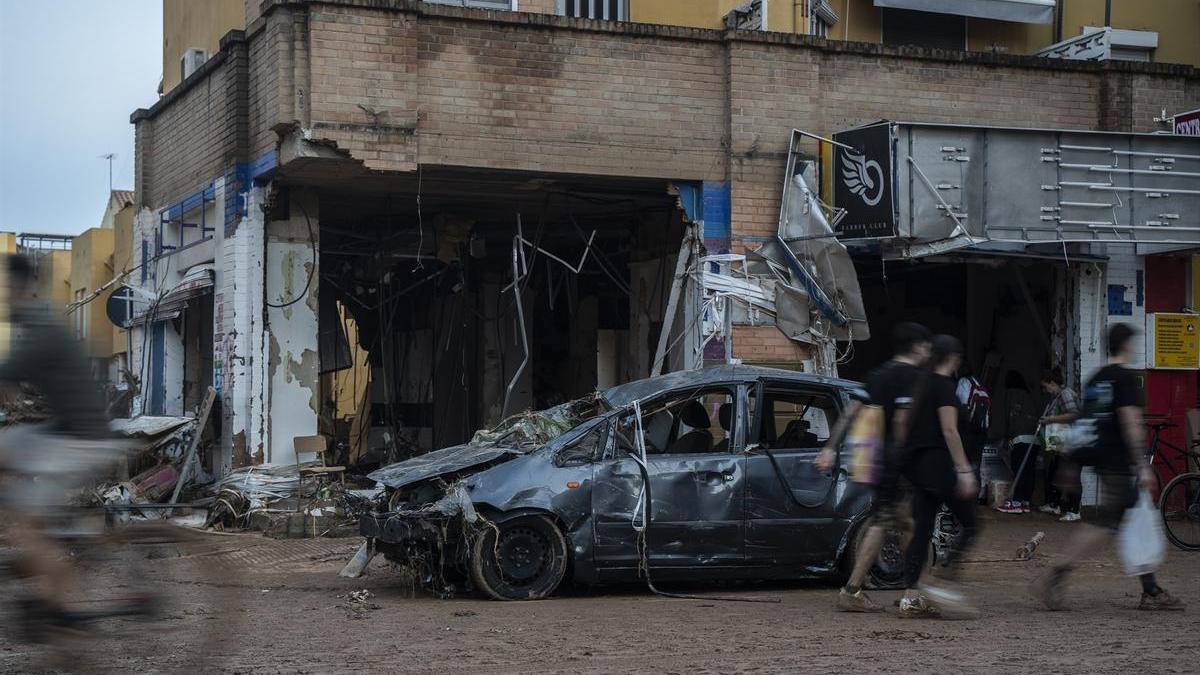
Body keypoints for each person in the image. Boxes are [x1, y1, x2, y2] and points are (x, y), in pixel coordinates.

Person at [0, 254, 116, 635]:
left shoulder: (42, 328)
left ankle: (57, 606)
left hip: (80, 440)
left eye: (6, 289)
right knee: (8, 445)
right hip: (65, 431)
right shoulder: (36, 324)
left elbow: (9, 371)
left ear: (22, 287)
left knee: (26, 524)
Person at [1031, 324, 1184, 611]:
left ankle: (1151, 589)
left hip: (1103, 460)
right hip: (1120, 462)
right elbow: (1129, 421)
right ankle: (1056, 573)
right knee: (1107, 523)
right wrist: (1143, 464)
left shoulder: (1097, 379)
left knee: (1133, 521)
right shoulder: (1124, 379)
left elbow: (1086, 421)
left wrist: (1071, 461)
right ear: (1126, 345)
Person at [817, 322, 932, 613]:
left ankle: (858, 589)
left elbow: (848, 415)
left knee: (889, 522)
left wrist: (831, 447)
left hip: (877, 464)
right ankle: (912, 593)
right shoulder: (912, 377)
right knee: (900, 523)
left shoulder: (877, 376)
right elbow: (903, 423)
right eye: (927, 347)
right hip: (899, 464)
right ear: (918, 347)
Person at [895, 335, 979, 618]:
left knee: (922, 531)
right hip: (941, 468)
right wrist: (964, 470)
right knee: (971, 524)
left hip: (919, 469)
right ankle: (942, 579)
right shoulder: (944, 387)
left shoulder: (922, 384)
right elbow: (950, 431)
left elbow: (904, 423)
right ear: (954, 358)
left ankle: (910, 596)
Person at [1036, 367, 1081, 521]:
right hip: (1063, 444)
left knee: (1071, 475)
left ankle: (1074, 511)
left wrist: (1051, 420)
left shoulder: (1065, 394)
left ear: (1052, 383)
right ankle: (1055, 504)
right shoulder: (1055, 397)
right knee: (1056, 472)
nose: (1045, 390)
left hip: (1073, 442)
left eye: (1045, 386)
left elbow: (1074, 415)